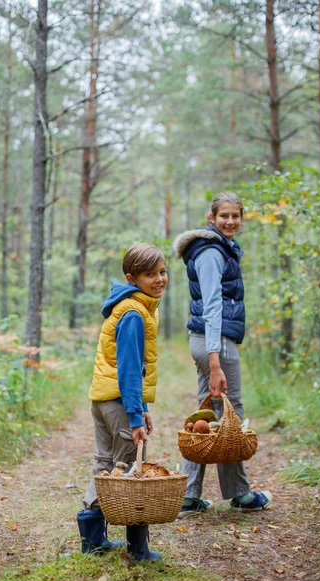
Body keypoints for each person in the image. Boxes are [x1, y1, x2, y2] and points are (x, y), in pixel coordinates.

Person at [172, 192, 272, 515]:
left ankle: (188, 496)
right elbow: (213, 308)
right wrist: (215, 362)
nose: (230, 221)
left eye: (235, 216)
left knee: (207, 416)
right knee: (232, 414)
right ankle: (241, 495)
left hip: (205, 340)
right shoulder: (213, 252)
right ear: (211, 217)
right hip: (216, 342)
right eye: (224, 215)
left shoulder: (217, 248)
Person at [77, 242, 168, 560]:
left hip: (103, 398)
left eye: (162, 271)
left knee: (105, 466)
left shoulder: (128, 306)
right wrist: (134, 417)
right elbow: (129, 371)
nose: (159, 279)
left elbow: (129, 367)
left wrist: (142, 408)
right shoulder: (133, 314)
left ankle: (92, 541)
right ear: (132, 278)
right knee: (133, 472)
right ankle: (138, 548)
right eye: (149, 274)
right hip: (117, 402)